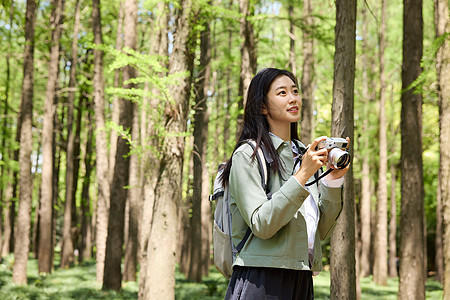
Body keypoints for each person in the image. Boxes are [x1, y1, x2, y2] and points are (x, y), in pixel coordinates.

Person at [220, 68, 350, 300]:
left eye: (295, 91)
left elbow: (319, 232)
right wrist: (302, 175)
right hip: (261, 278)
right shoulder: (248, 155)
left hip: (301, 276)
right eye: (282, 93)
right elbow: (262, 224)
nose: (293, 98)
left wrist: (333, 179)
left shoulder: (303, 154)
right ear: (262, 106)